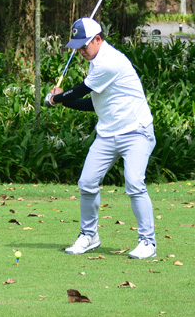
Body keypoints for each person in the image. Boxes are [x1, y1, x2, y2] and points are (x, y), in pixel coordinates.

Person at [46, 17, 157, 260]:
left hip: (136, 131)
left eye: (84, 46)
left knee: (134, 183)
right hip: (108, 134)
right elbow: (92, 104)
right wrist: (61, 101)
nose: (81, 51)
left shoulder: (110, 62)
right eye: (77, 47)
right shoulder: (95, 62)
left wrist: (57, 98)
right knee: (87, 182)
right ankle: (89, 236)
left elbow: (81, 90)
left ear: (98, 39)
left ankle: (147, 242)